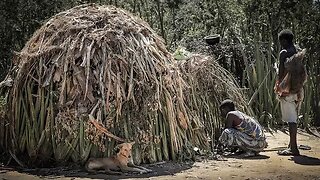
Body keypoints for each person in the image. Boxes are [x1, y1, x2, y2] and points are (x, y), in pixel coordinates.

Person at [274, 29, 307, 156]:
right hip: (298, 89)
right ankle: (291, 145)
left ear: (284, 40)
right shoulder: (297, 50)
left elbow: (282, 73)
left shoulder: (284, 52)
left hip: (288, 90)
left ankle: (293, 149)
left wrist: (279, 88)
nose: (280, 43)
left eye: (281, 41)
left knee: (291, 120)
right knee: (294, 116)